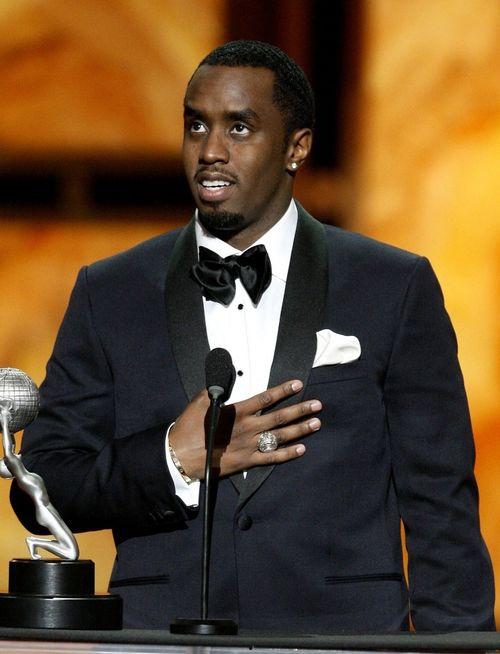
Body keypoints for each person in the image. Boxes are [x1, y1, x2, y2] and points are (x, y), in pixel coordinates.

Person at [11, 40, 495, 633]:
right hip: (162, 639)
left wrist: (458, 645)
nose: (210, 150)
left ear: (297, 147)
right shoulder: (110, 292)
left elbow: (441, 504)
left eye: (238, 128)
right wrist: (171, 460)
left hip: (343, 641)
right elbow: (43, 487)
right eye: (197, 125)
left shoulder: (392, 286)